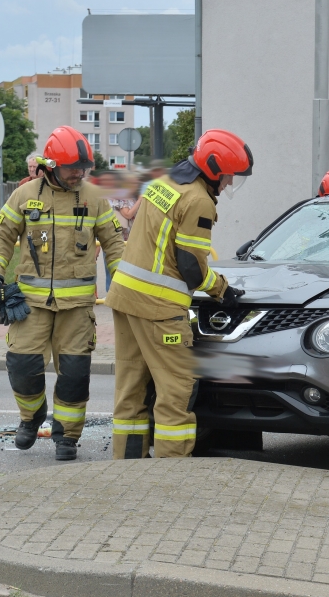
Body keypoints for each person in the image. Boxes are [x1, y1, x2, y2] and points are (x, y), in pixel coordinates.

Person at [105, 129, 252, 459]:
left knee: (131, 389)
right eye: (228, 176)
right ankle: (171, 477)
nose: (229, 184)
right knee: (177, 390)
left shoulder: (163, 183)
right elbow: (190, 266)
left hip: (125, 297)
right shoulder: (198, 200)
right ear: (214, 169)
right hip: (159, 308)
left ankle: (124, 470)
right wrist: (222, 290)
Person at [0, 126, 125, 461]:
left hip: (77, 307)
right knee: (22, 365)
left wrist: (122, 286)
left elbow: (115, 245)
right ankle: (31, 418)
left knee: (74, 374)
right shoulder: (25, 195)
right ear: (49, 166)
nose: (79, 174)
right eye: (72, 168)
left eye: (83, 169)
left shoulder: (93, 198)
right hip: (30, 304)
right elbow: (2, 236)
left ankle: (67, 437)